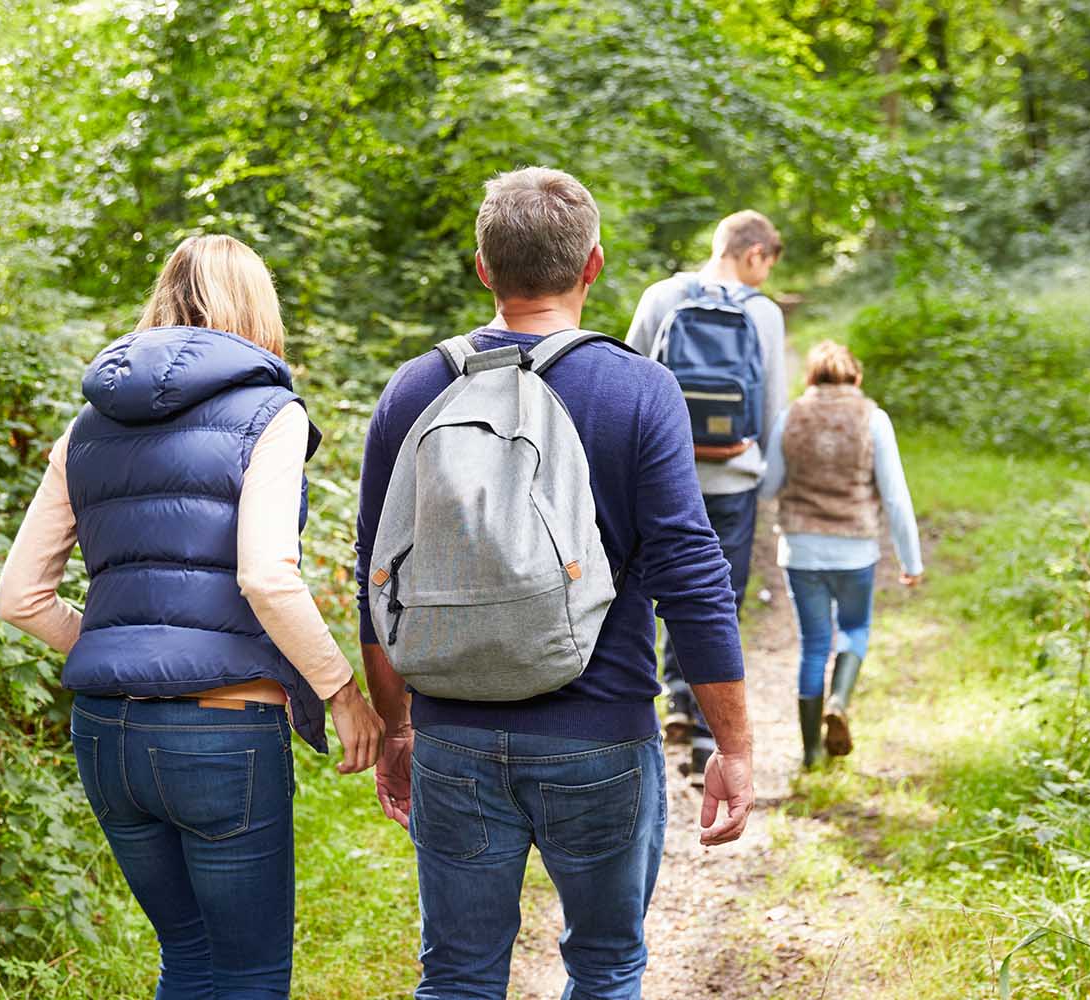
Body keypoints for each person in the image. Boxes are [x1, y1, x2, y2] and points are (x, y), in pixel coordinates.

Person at [354, 167, 755, 1000]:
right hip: (600, 732)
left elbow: (377, 575)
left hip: (453, 737)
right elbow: (691, 578)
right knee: (605, 967)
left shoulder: (414, 390)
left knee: (458, 977)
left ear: (483, 269)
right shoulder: (638, 390)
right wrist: (734, 748)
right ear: (594, 266)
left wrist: (398, 727)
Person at [0, 234, 384, 999]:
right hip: (221, 735)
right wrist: (342, 694)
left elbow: (19, 597)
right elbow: (267, 576)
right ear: (257, 308)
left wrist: (117, 648)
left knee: (190, 958)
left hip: (107, 735)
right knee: (248, 973)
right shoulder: (270, 414)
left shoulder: (85, 428)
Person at [625, 211, 787, 781]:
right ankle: (702, 739)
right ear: (754, 254)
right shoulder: (762, 313)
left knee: (658, 590)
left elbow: (630, 382)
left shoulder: (661, 295)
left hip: (666, 478)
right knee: (721, 599)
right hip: (734, 475)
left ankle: (672, 699)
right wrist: (763, 475)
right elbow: (772, 406)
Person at [758, 340, 924, 770]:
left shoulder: (790, 417)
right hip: (855, 551)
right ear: (857, 377)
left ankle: (811, 754)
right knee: (854, 629)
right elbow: (896, 497)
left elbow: (768, 485)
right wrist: (911, 562)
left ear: (810, 378)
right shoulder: (874, 418)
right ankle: (839, 699)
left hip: (801, 551)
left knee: (814, 646)